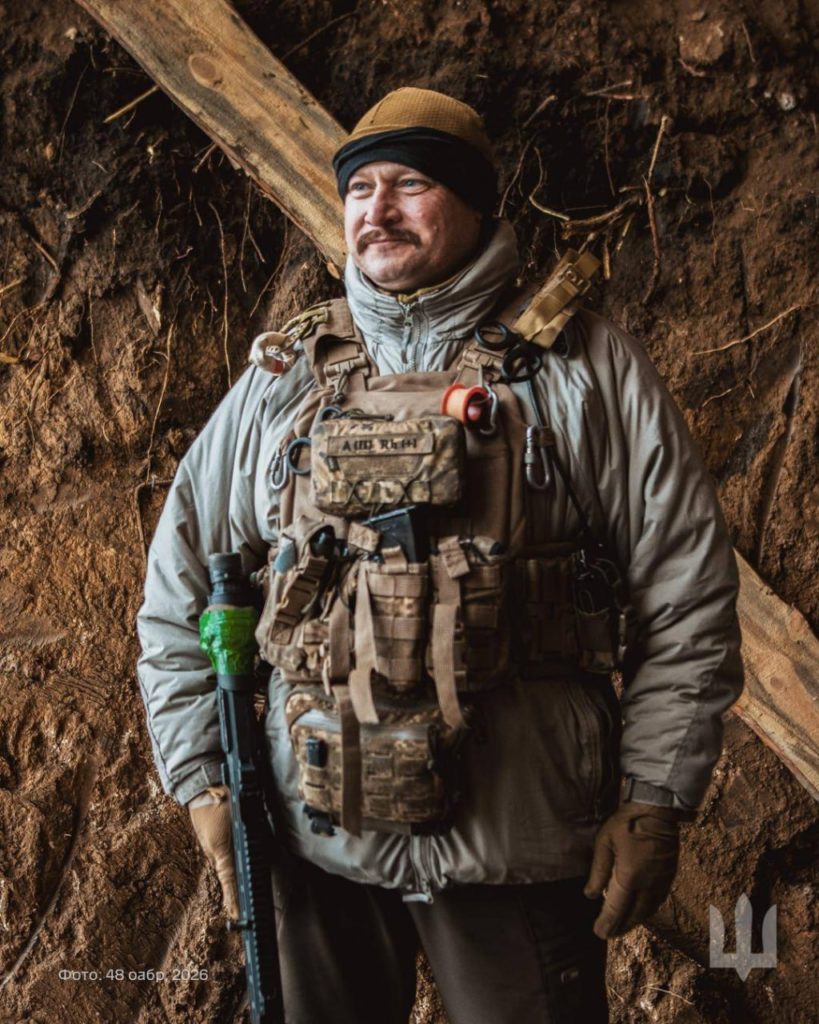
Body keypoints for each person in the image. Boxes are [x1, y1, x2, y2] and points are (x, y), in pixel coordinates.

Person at [137, 87, 743, 1024]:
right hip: (313, 837)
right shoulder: (283, 381)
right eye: (360, 189)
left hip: (517, 847)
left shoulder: (584, 370)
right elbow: (182, 587)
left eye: (410, 184)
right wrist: (204, 776)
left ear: (473, 201)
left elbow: (686, 593)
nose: (376, 210)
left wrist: (655, 793)